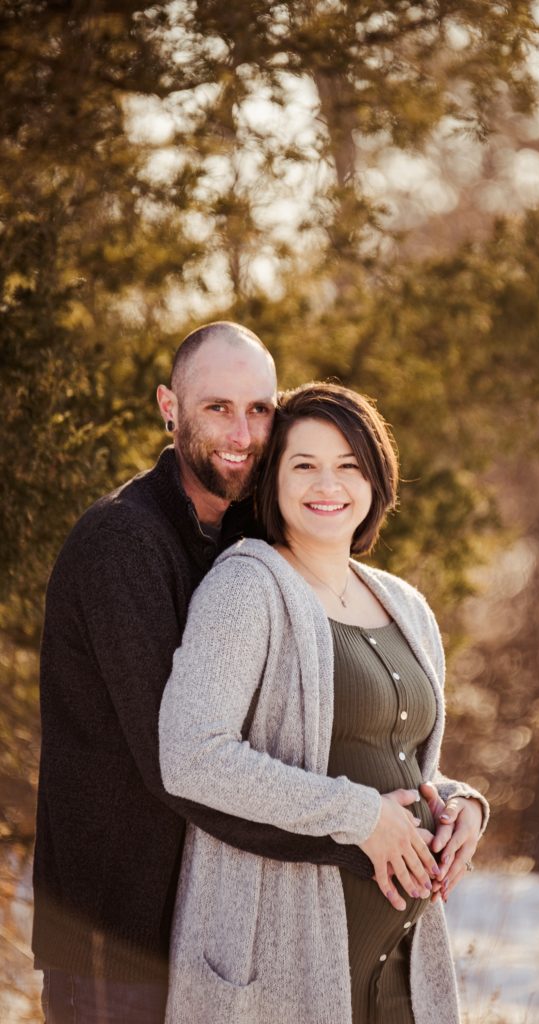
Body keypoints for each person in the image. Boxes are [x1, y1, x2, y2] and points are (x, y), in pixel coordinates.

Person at [32, 323, 485, 1024]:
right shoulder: (125, 544)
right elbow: (180, 762)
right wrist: (359, 828)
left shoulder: (244, 533)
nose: (242, 433)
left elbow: (307, 747)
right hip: (120, 930)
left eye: (259, 409)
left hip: (212, 928)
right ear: (169, 407)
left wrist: (448, 804)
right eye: (217, 407)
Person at [159, 382, 488, 1024]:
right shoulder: (245, 588)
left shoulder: (405, 604)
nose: (327, 485)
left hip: (402, 966)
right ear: (272, 480)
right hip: (284, 964)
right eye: (304, 465)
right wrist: (359, 816)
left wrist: (461, 806)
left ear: (376, 479)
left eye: (349, 466)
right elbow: (191, 755)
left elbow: (393, 762)